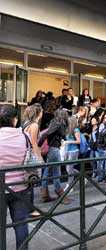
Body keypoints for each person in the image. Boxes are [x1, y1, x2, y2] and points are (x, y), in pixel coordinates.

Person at [0, 104, 30, 250]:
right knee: (21, 224)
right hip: (21, 186)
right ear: (15, 120)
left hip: (1, 188)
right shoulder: (25, 136)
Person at [38, 109, 71, 204]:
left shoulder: (55, 122)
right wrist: (38, 146)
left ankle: (45, 194)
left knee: (48, 171)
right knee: (56, 172)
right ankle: (60, 193)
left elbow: (47, 134)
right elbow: (45, 134)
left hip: (52, 149)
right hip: (54, 149)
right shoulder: (58, 123)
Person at [22, 104, 44, 217]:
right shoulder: (34, 125)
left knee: (27, 182)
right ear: (39, 113)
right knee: (31, 181)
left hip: (24, 154)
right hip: (31, 156)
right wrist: (39, 158)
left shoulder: (26, 123)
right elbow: (34, 143)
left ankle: (27, 207)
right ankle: (30, 209)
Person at [63, 117, 81, 191]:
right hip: (68, 150)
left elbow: (78, 141)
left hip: (74, 151)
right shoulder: (68, 130)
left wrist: (68, 142)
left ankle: (69, 185)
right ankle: (83, 176)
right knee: (69, 168)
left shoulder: (76, 130)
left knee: (69, 168)